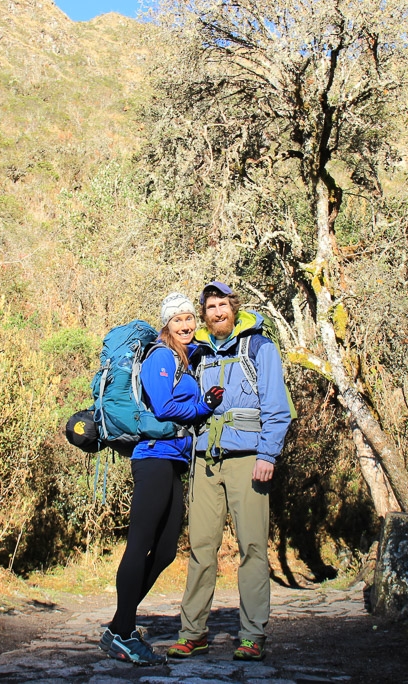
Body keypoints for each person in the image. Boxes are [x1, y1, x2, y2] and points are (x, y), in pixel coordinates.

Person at [168, 281, 292, 662]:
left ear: (234, 308)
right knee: (201, 548)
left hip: (248, 458)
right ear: (203, 314)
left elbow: (277, 407)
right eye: (210, 307)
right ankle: (193, 633)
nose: (218, 312)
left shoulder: (258, 346)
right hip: (205, 459)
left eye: (223, 305)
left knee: (253, 547)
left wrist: (268, 455)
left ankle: (252, 634)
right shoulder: (198, 352)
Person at [98, 292, 224, 666]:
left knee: (167, 549)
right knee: (140, 543)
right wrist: (205, 406)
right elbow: (165, 404)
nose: (186, 325)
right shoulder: (160, 356)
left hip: (172, 460)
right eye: (178, 319)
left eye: (190, 319)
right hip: (152, 457)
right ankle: (122, 631)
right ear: (166, 324)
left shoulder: (183, 357)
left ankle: (120, 625)